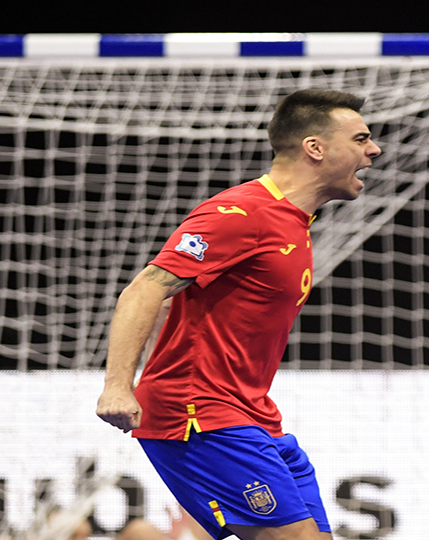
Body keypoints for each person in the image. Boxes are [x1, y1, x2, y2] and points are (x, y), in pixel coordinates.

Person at [96, 88, 382, 540]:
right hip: (197, 414)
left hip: (254, 416)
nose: (374, 149)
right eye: (361, 138)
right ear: (315, 148)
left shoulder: (294, 224)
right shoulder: (241, 212)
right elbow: (146, 288)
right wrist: (117, 386)